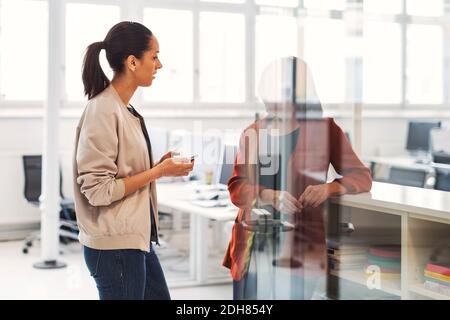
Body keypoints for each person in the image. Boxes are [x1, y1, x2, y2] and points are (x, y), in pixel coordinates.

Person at [223, 57, 372, 299]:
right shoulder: (254, 132)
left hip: (301, 246)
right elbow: (237, 188)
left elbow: (362, 176)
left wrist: (328, 189)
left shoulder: (325, 130)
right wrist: (268, 195)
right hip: (253, 244)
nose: (267, 102)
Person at [72, 21, 194, 300]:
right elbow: (98, 191)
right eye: (154, 56)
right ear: (132, 62)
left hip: (134, 239)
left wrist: (158, 169)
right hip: (114, 248)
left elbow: (119, 173)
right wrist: (157, 172)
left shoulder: (122, 108)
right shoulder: (103, 110)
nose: (159, 65)